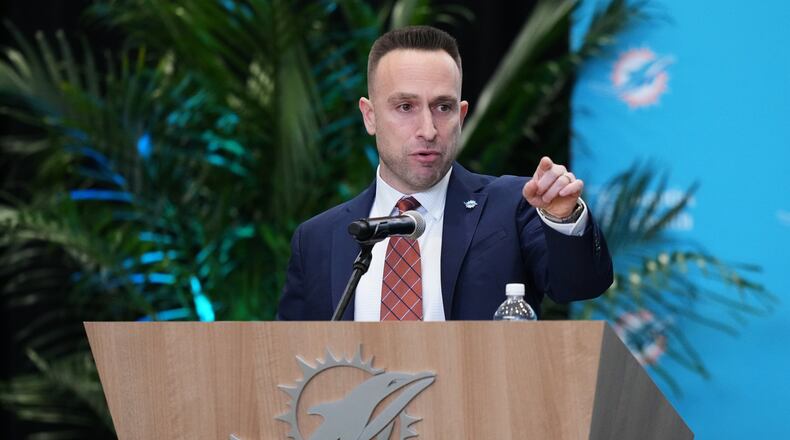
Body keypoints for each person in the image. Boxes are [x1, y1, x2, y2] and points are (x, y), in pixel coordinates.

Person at [277, 25, 612, 321]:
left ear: (461, 115)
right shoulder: (319, 239)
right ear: (370, 116)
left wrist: (563, 219)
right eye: (405, 107)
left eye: (443, 107)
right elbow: (287, 365)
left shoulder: (511, 208)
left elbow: (580, 285)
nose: (428, 129)